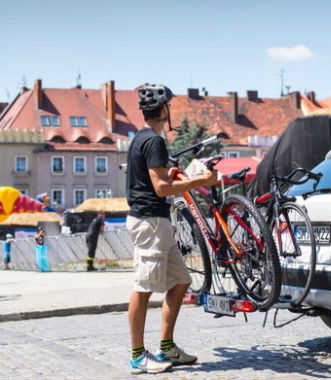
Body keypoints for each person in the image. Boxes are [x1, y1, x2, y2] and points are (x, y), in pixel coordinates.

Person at [126, 84, 218, 374]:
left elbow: (158, 178)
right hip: (149, 222)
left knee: (180, 282)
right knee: (143, 288)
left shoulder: (143, 138)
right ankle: (138, 356)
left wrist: (176, 173)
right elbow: (162, 187)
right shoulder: (154, 141)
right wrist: (201, 181)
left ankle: (167, 347)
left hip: (157, 222)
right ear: (165, 110)